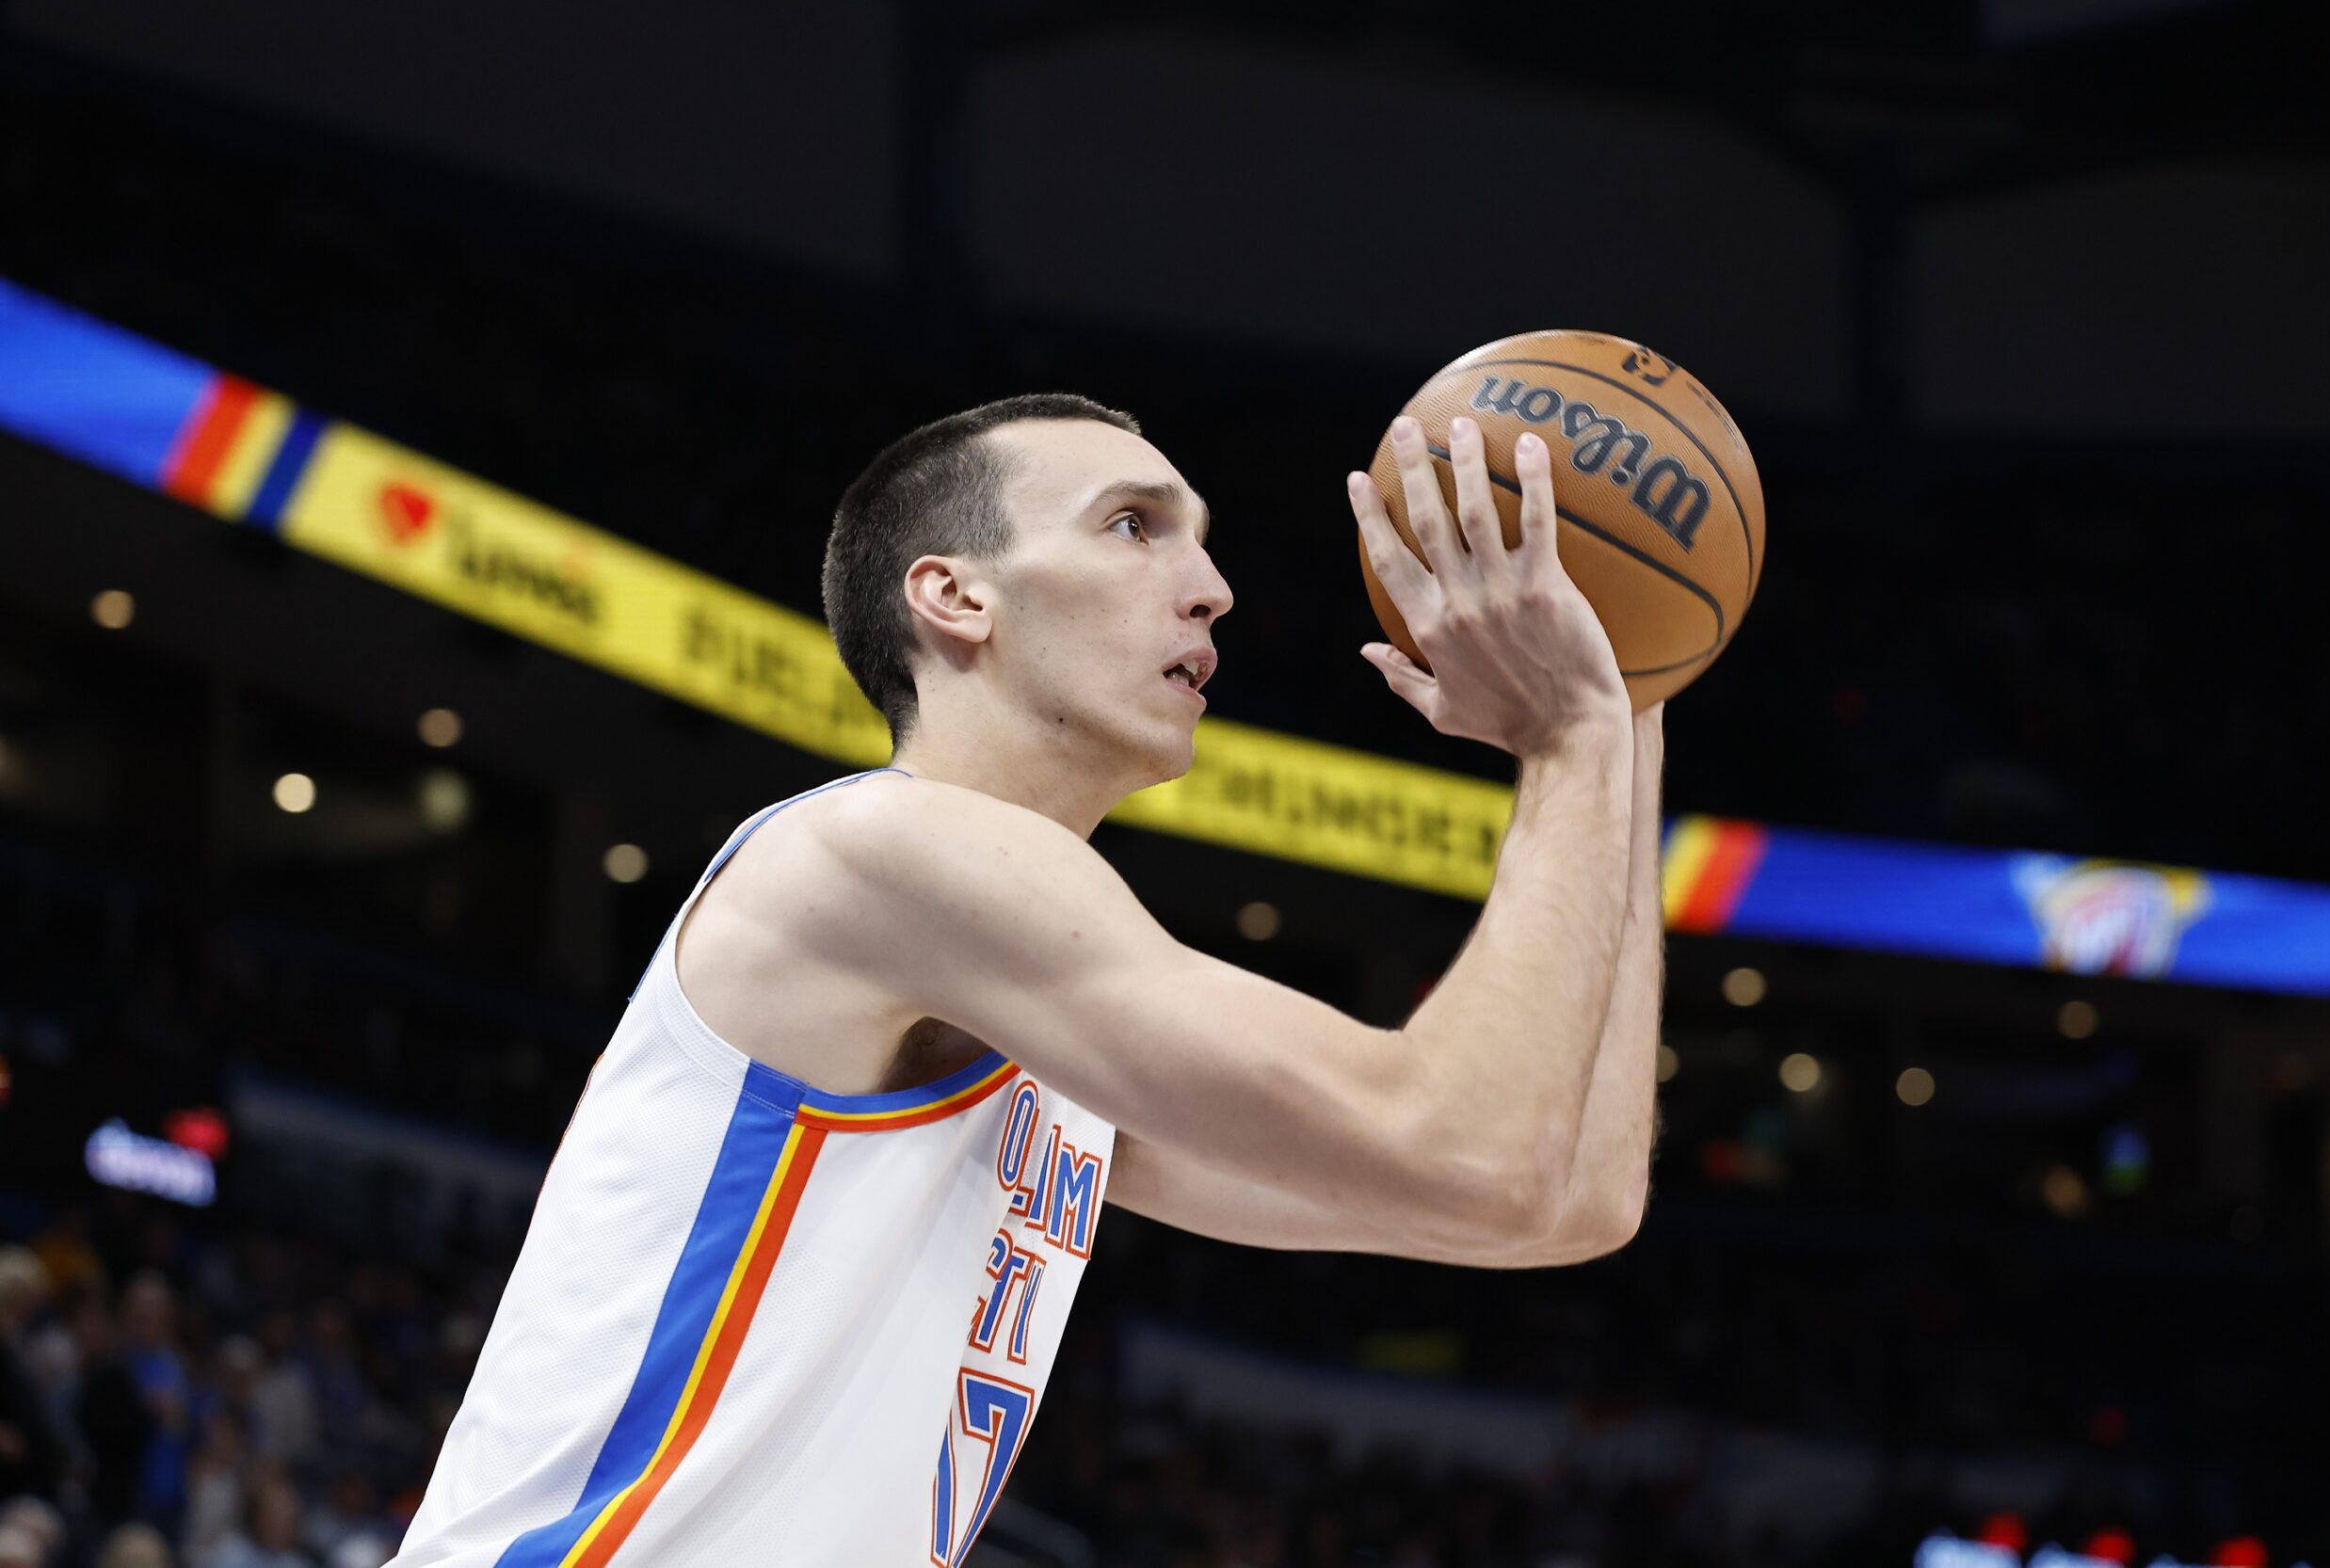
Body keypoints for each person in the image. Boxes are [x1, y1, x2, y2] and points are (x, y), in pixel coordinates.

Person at [392, 397, 1666, 1566]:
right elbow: (1472, 1147)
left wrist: (1630, 707)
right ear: (955, 598)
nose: (1213, 590)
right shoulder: (879, 852)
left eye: (1203, 544)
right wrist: (1568, 740)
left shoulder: (1047, 1033)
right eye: (1132, 528)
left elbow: (1558, 1202)